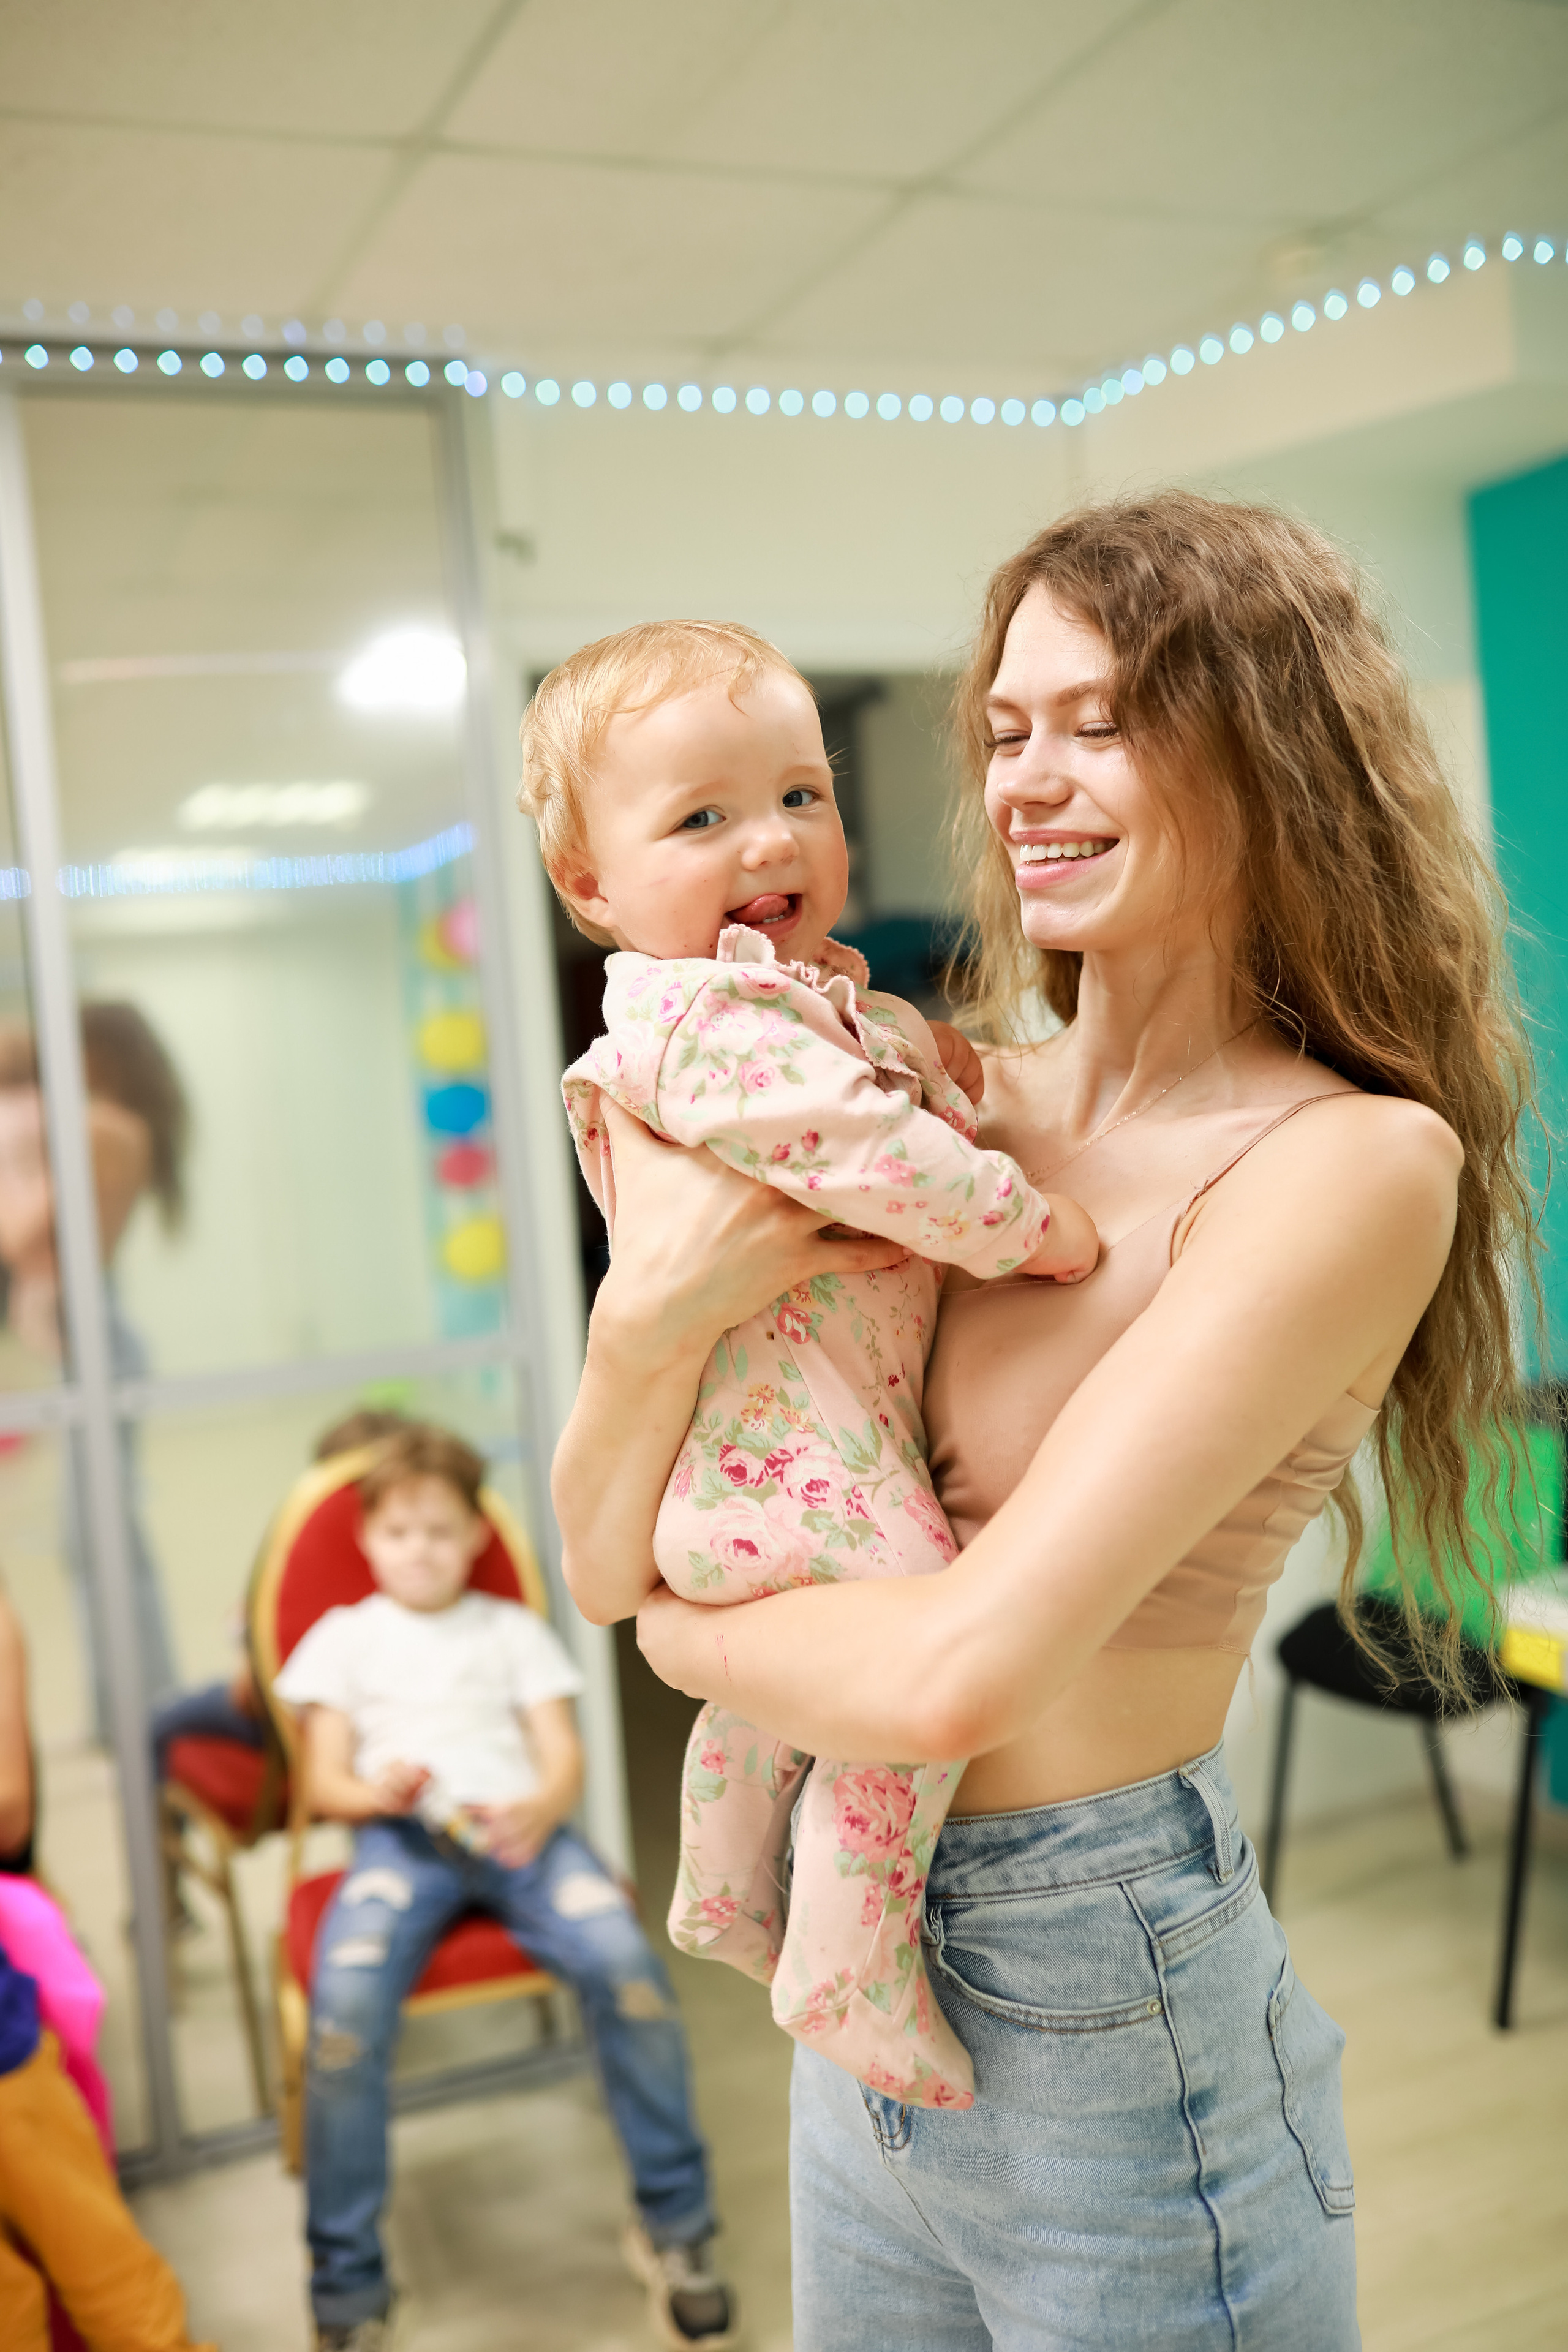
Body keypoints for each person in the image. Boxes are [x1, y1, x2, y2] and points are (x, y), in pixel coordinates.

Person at [550, 493, 1534, 2349]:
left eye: (1102, 720)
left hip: (1106, 2000)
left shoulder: (1342, 1162)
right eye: (1006, 728)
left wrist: (679, 1637)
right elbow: (595, 1546)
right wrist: (646, 1314)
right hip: (858, 1976)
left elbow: (951, 1676)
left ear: (1268, 747)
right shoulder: (926, 1101)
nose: (1026, 779)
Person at [521, 619, 1097, 2108]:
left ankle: (723, 1882)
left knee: (779, 1700)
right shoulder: (707, 1023)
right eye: (699, 818)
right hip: (799, 1464)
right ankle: (847, 1963)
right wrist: (1022, 1222)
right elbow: (864, 1154)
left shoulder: (790, 1005)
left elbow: (862, 1081)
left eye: (799, 794)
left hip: (770, 1465)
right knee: (901, 1661)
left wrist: (923, 1054)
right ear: (589, 887)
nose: (769, 839)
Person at [272, 1422, 735, 2352]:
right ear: (367, 1538)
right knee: (344, 2014)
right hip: (399, 1845)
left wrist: (540, 1805)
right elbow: (320, 1783)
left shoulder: (510, 1631)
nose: (420, 1550)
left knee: (629, 1971)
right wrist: (376, 1792)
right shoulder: (344, 1639)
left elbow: (561, 1754)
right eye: (399, 1532)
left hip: (522, 1837)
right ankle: (348, 2285)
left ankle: (676, 2230)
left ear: (476, 1536)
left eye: (441, 1531)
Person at [0, 1005, 190, 1742]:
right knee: (95, 1541)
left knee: (105, 1541)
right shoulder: (102, 1126)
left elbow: (30, 1232)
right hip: (88, 1348)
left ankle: (147, 1711)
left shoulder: (102, 1128)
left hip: (100, 1349)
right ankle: (123, 1712)